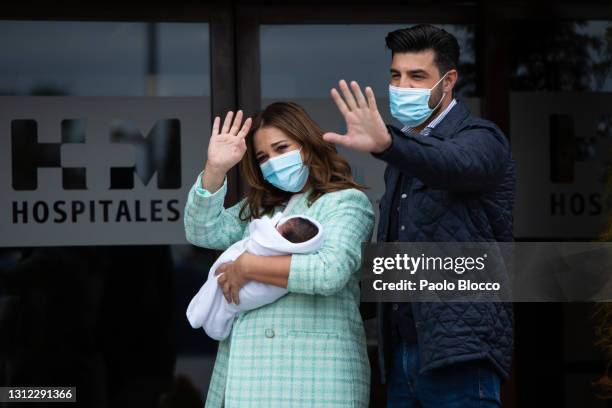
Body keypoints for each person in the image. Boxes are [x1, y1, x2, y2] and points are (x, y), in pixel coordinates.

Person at [323, 24, 516, 407]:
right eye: (396, 75)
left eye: (417, 76)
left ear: (448, 82)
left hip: (461, 356)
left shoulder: (482, 139)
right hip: (402, 357)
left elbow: (451, 164)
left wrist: (390, 143)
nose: (403, 86)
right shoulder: (402, 158)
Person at [183, 101, 374, 407]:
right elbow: (202, 231)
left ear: (308, 145)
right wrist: (215, 169)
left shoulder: (345, 202)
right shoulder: (264, 210)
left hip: (315, 378)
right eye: (263, 157)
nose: (273, 161)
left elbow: (329, 272)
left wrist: (248, 267)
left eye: (281, 148)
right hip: (252, 377)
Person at [186, 213, 324, 341]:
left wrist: (247, 265)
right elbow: (202, 232)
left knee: (231, 301)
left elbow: (327, 274)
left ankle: (212, 314)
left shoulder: (337, 205)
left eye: (278, 228)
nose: (275, 227)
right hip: (246, 339)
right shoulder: (258, 205)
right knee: (223, 291)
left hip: (267, 326)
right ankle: (211, 312)